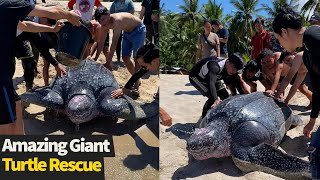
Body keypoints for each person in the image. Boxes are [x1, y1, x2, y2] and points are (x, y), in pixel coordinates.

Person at [0, 0, 81, 135]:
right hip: (1, 80)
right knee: (6, 126)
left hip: (5, 77)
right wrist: (69, 15)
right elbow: (50, 11)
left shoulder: (5, 10)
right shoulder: (7, 5)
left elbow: (24, 25)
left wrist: (52, 29)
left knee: (17, 105)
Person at [272, 5, 320, 179]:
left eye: (278, 38)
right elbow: (317, 85)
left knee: (316, 154)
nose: (280, 44)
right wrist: (312, 120)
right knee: (315, 148)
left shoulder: (314, 36)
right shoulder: (306, 51)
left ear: (284, 32)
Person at [111, 43, 172, 127]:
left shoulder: (167, 69)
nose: (143, 69)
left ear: (154, 61)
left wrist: (162, 111)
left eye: (144, 66)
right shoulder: (154, 59)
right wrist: (123, 90)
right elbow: (137, 75)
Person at [94, 6, 146, 93]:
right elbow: (101, 42)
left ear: (108, 14)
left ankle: (136, 87)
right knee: (125, 57)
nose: (102, 23)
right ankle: (136, 79)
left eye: (103, 19)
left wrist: (108, 62)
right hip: (127, 32)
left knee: (137, 58)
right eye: (100, 21)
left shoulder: (117, 20)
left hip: (138, 31)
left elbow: (114, 43)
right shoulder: (103, 25)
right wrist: (95, 58)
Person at [189, 53, 244, 118]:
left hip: (213, 77)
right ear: (228, 62)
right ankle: (204, 118)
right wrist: (215, 99)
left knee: (225, 96)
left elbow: (237, 86)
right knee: (212, 98)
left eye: (237, 69)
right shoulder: (215, 66)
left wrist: (243, 97)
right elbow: (211, 83)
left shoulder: (231, 69)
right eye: (234, 67)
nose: (234, 71)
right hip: (197, 77)